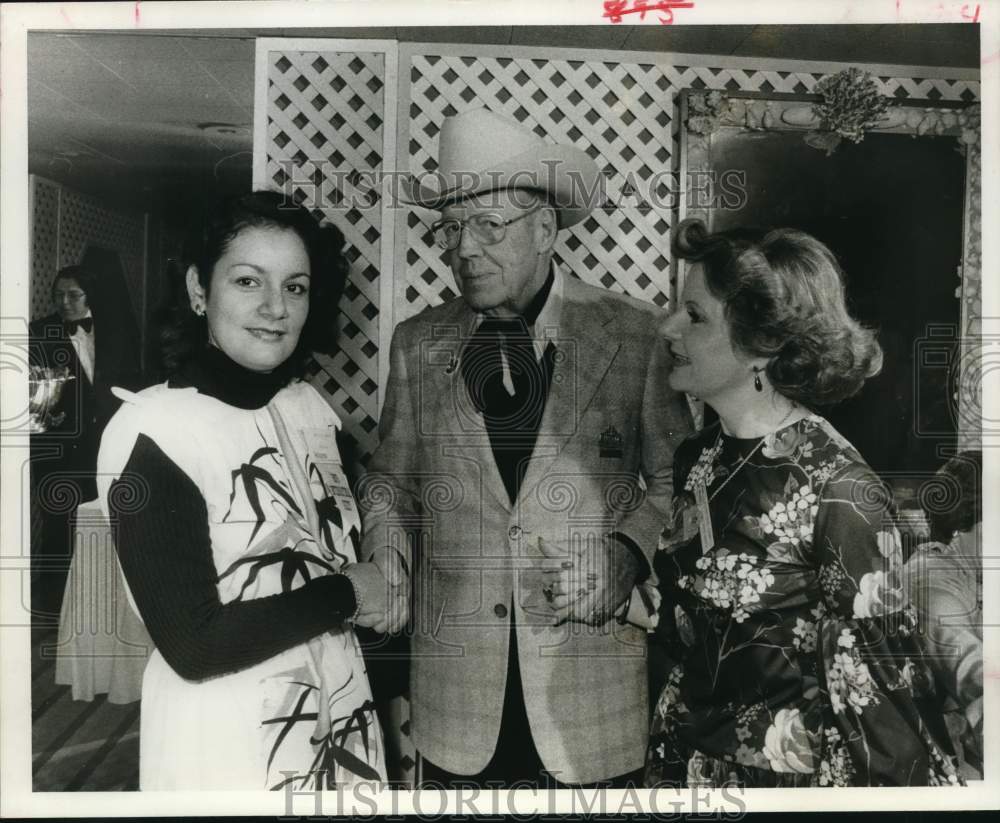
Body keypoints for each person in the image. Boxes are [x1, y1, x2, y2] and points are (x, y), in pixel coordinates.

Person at [356, 107, 692, 788]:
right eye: (452, 229)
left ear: (545, 229)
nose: (464, 249)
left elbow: (678, 485)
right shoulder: (416, 344)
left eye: (488, 225)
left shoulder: (635, 336)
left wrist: (628, 553)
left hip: (591, 698)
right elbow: (391, 481)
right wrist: (387, 555)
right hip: (456, 704)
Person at [641, 218, 963, 787]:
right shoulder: (699, 456)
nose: (667, 327)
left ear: (761, 346)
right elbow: (696, 621)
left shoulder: (839, 489)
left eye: (694, 315)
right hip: (685, 766)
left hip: (784, 784)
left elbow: (879, 692)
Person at [96, 191, 396, 790]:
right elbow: (193, 643)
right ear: (198, 291)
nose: (274, 308)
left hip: (340, 720)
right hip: (225, 742)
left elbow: (353, 534)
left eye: (295, 287)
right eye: (247, 281)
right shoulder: (154, 431)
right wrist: (349, 594)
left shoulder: (309, 407)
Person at [29, 265, 140, 621]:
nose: (64, 302)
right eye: (58, 295)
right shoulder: (40, 333)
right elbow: (29, 392)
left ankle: (96, 608)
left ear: (91, 295)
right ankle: (51, 611)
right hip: (59, 452)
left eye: (73, 295)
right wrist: (44, 416)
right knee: (58, 531)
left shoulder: (116, 330)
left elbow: (132, 384)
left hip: (106, 449)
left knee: (104, 526)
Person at [904, 451, 983, 778]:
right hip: (942, 770)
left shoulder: (972, 572)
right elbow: (969, 667)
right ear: (967, 522)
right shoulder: (930, 578)